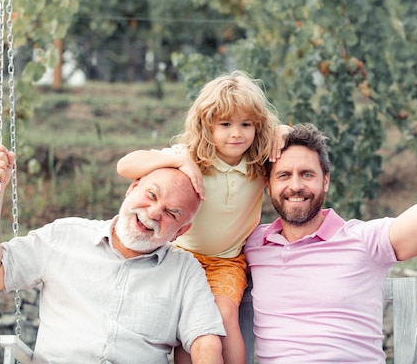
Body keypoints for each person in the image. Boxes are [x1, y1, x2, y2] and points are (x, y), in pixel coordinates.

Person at [243, 56, 417, 364]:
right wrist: (277, 129)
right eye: (284, 175)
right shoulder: (252, 244)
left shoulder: (365, 240)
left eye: (307, 174)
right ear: (267, 186)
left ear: (326, 182)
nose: (295, 185)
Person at [0, 144, 226, 364]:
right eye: (151, 194)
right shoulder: (64, 236)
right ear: (132, 188)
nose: (155, 212)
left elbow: (206, 341)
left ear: (181, 232)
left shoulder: (185, 271)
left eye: (172, 213)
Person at [116, 71, 290, 364]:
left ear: (257, 125)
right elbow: (125, 165)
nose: (236, 133)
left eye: (245, 124)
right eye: (225, 124)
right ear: (206, 125)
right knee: (191, 325)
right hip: (182, 257)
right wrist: (177, 160)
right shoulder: (193, 156)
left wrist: (284, 129)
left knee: (223, 316)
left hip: (227, 259)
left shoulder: (259, 161)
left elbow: (291, 142)